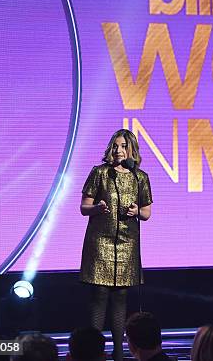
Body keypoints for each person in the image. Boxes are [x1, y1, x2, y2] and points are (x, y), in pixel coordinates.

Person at [80, 129, 153, 361]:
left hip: (127, 242)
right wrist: (97, 208)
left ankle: (119, 353)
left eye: (123, 146)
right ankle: (92, 351)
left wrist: (137, 212)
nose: (119, 150)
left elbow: (147, 212)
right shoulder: (100, 173)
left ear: (131, 149)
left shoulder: (139, 177)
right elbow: (84, 207)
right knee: (100, 294)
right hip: (100, 240)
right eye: (115, 146)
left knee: (121, 297)